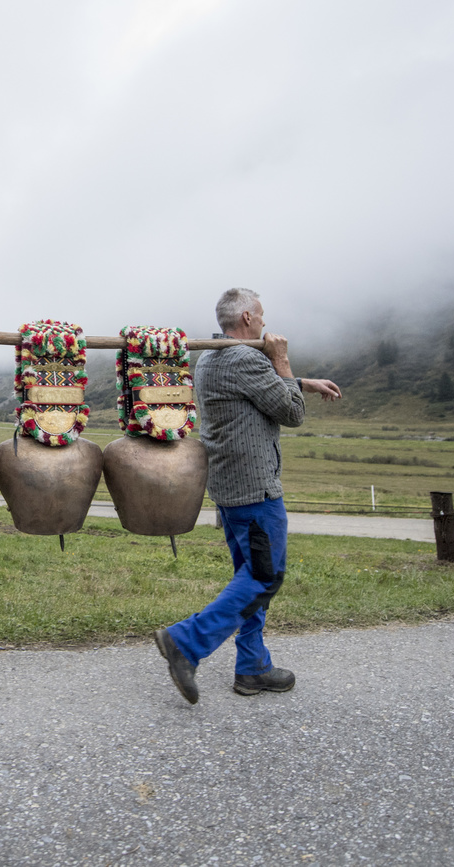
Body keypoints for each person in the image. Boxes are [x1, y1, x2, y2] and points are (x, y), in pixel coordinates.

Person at [155, 287, 340, 704]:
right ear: (245, 320)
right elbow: (290, 414)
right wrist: (284, 361)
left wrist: (302, 382)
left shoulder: (212, 358)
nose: (264, 323)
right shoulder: (246, 359)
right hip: (256, 489)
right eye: (260, 316)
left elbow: (257, 393)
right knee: (264, 577)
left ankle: (252, 667)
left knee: (250, 579)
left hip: (230, 488)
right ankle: (186, 641)